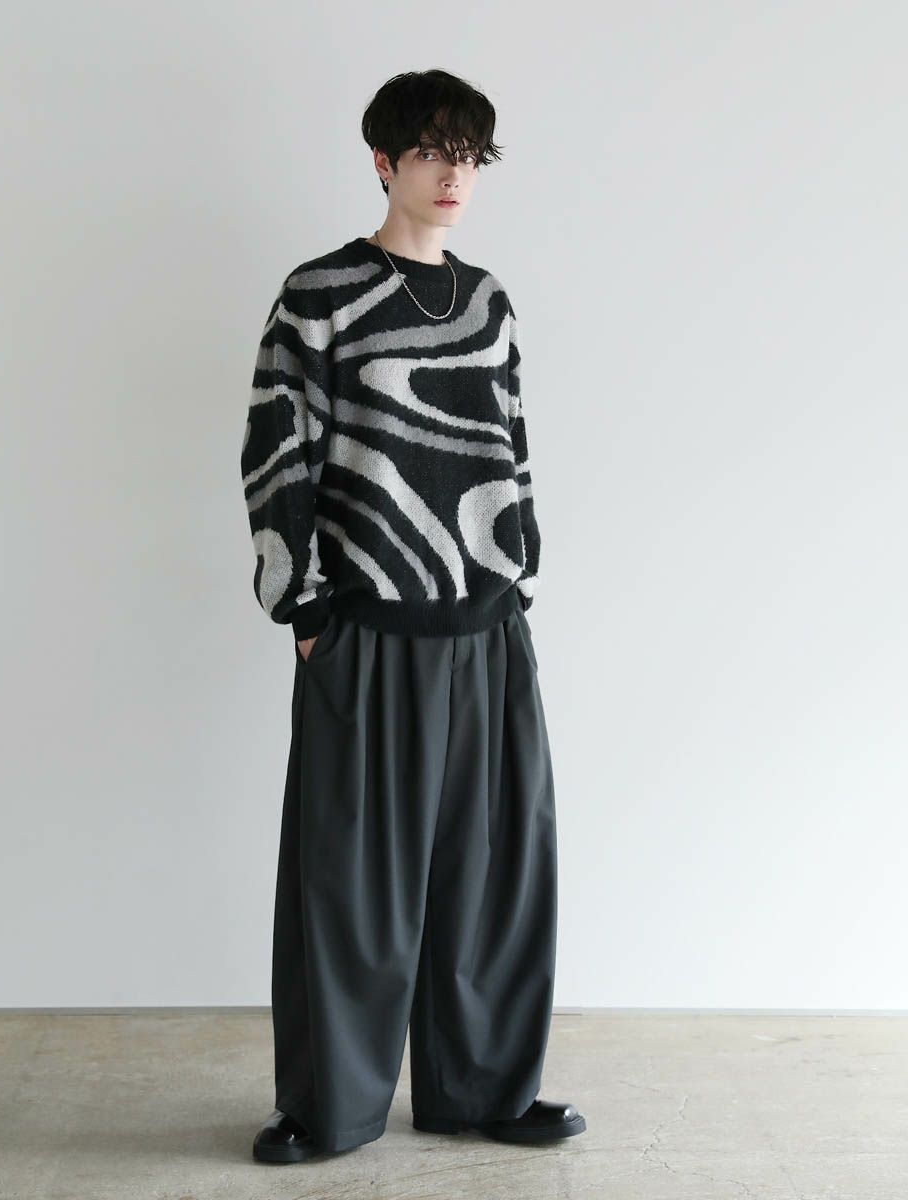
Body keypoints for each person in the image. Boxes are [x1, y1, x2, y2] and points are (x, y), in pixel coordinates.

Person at [242, 68, 586, 1163]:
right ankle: (327, 1110)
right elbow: (277, 445)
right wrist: (302, 604)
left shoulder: (487, 302)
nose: (452, 175)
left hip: (484, 629)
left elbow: (511, 447)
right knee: (350, 882)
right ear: (384, 161)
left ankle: (482, 1092)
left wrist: (520, 579)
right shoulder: (320, 294)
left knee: (495, 873)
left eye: (468, 156)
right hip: (368, 629)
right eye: (432, 152)